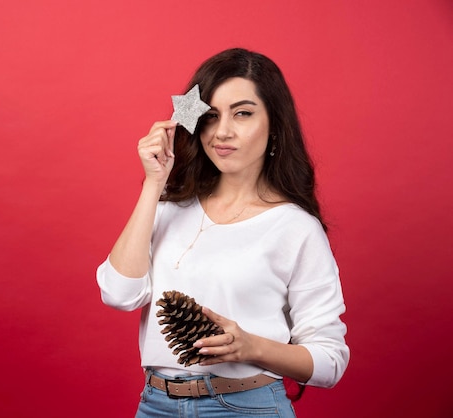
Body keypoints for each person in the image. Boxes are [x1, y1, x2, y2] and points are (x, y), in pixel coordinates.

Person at [96, 48, 349, 418]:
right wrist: (154, 184)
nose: (223, 131)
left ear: (274, 126)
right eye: (211, 116)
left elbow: (330, 360)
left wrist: (250, 347)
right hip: (156, 405)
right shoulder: (167, 208)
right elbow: (118, 294)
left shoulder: (295, 228)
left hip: (247, 407)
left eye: (243, 113)